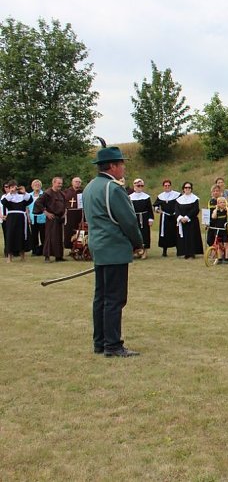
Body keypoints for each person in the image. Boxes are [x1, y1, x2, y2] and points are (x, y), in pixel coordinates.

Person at [82, 145, 144, 357]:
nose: (123, 168)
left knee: (101, 296)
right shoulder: (113, 189)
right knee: (115, 298)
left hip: (98, 246)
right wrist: (138, 243)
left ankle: (100, 342)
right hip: (114, 247)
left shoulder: (90, 187)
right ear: (112, 166)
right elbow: (128, 221)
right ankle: (113, 345)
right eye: (121, 164)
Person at [33, 176, 67, 262]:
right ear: (53, 183)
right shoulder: (47, 193)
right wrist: (46, 212)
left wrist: (64, 213)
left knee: (59, 238)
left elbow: (65, 205)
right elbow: (38, 203)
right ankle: (47, 256)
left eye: (61, 183)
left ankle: (58, 256)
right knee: (49, 237)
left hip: (59, 219)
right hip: (51, 218)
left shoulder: (62, 194)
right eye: (58, 183)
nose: (60, 185)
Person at [1, 180, 33, 261]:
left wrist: (24, 192)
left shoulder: (21, 196)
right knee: (10, 236)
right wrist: (10, 193)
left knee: (22, 235)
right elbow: (4, 202)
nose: (13, 188)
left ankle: (22, 257)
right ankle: (9, 257)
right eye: (11, 187)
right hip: (11, 218)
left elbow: (30, 200)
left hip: (21, 218)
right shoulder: (8, 197)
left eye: (14, 187)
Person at [175, 182, 204, 259]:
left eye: (189, 188)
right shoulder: (179, 199)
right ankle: (184, 253)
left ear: (191, 189)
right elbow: (177, 210)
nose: (187, 189)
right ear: (183, 189)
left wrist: (187, 217)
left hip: (192, 221)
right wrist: (181, 218)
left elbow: (195, 209)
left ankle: (192, 253)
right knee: (183, 237)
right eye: (186, 188)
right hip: (182, 222)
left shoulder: (195, 198)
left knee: (192, 237)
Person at [129, 178, 154, 259]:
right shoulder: (130, 197)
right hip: (134, 218)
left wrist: (150, 219)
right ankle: (136, 251)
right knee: (135, 234)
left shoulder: (146, 197)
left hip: (144, 217)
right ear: (134, 186)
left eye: (141, 186)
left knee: (145, 234)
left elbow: (150, 209)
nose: (139, 187)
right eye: (138, 185)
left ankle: (145, 251)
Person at [154, 180, 180, 256]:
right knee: (165, 233)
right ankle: (164, 251)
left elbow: (181, 202)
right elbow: (156, 205)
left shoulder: (177, 195)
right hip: (165, 217)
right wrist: (157, 209)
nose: (167, 187)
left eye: (168, 185)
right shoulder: (160, 196)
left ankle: (178, 250)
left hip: (175, 216)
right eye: (165, 186)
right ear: (163, 187)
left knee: (176, 232)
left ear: (170, 186)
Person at [207, 196, 228, 264]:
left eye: (224, 202)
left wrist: (226, 207)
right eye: (220, 202)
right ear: (217, 204)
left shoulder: (226, 210)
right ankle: (220, 258)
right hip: (218, 230)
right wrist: (216, 208)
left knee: (225, 244)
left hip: (225, 230)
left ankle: (226, 258)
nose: (222, 204)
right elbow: (213, 217)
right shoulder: (216, 211)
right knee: (219, 244)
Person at [62, 176, 84, 249]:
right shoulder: (66, 192)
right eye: (76, 181)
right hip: (69, 213)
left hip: (80, 212)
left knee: (80, 229)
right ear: (72, 183)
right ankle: (69, 246)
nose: (78, 183)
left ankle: (79, 246)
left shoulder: (82, 192)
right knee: (69, 229)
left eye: (79, 182)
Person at [28, 179, 46, 257]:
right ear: (32, 186)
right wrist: (28, 217)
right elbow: (27, 208)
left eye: (38, 185)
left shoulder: (44, 194)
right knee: (34, 235)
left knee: (43, 235)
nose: (37, 186)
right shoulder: (29, 195)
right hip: (33, 217)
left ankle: (43, 250)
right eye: (35, 185)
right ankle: (34, 251)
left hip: (42, 217)